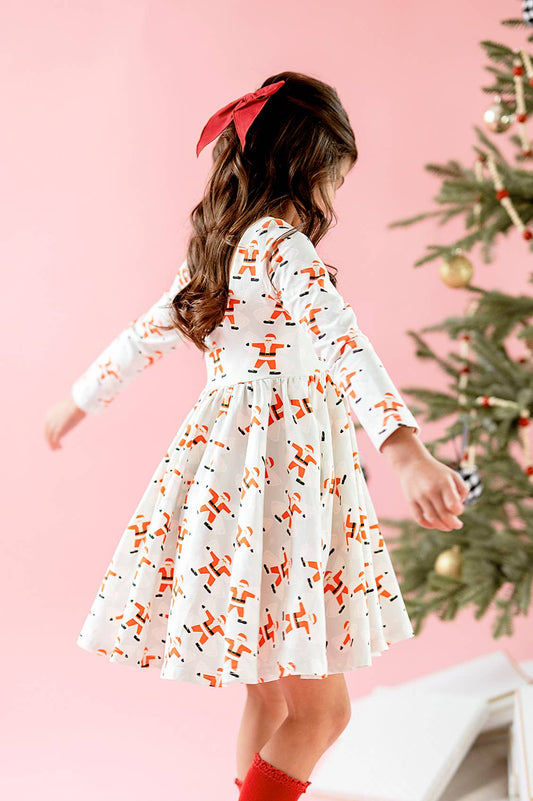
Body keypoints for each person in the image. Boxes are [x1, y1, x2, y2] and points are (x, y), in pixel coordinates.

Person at [44, 71, 469, 801]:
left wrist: (75, 403)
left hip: (233, 480)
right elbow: (342, 341)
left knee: (270, 696)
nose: (334, 193)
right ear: (308, 164)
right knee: (323, 711)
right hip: (283, 478)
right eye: (335, 175)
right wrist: (403, 448)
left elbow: (142, 338)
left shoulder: (216, 250)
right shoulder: (281, 246)